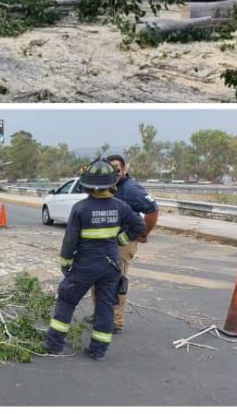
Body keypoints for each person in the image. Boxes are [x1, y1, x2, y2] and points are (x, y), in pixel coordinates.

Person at [45, 159, 147, 361]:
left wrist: (65, 264)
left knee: (66, 300)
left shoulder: (80, 208)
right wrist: (121, 239)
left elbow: (70, 240)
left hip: (85, 265)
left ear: (87, 184)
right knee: (105, 307)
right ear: (112, 183)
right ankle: (98, 350)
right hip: (110, 266)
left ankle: (54, 344)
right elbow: (139, 227)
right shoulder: (121, 207)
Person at [93, 154, 159, 333]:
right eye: (110, 168)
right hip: (104, 242)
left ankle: (115, 320)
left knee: (115, 281)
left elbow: (152, 210)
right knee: (97, 279)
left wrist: (144, 233)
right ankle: (101, 314)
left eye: (117, 169)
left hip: (122, 244)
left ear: (124, 169)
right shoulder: (104, 185)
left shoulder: (132, 190)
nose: (114, 172)